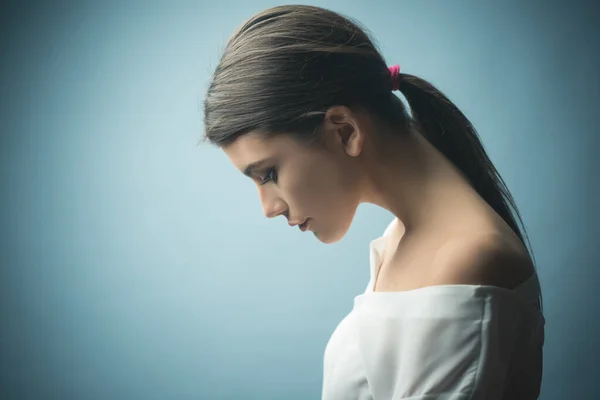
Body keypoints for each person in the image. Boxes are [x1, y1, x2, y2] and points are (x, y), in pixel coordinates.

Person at [202, 5, 545, 400]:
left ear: (344, 130)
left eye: (269, 174)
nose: (269, 207)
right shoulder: (402, 237)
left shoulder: (467, 260)